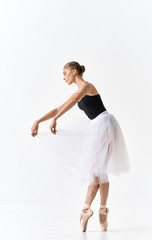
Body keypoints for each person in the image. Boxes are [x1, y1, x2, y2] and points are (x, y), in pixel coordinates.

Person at [31, 61, 130, 232]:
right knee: (94, 172)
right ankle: (86, 210)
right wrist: (39, 120)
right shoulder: (77, 92)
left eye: (64, 73)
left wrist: (57, 119)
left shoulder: (87, 87)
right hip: (96, 127)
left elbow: (75, 100)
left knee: (100, 170)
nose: (63, 78)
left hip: (104, 124)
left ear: (74, 71)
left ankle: (102, 209)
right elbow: (58, 108)